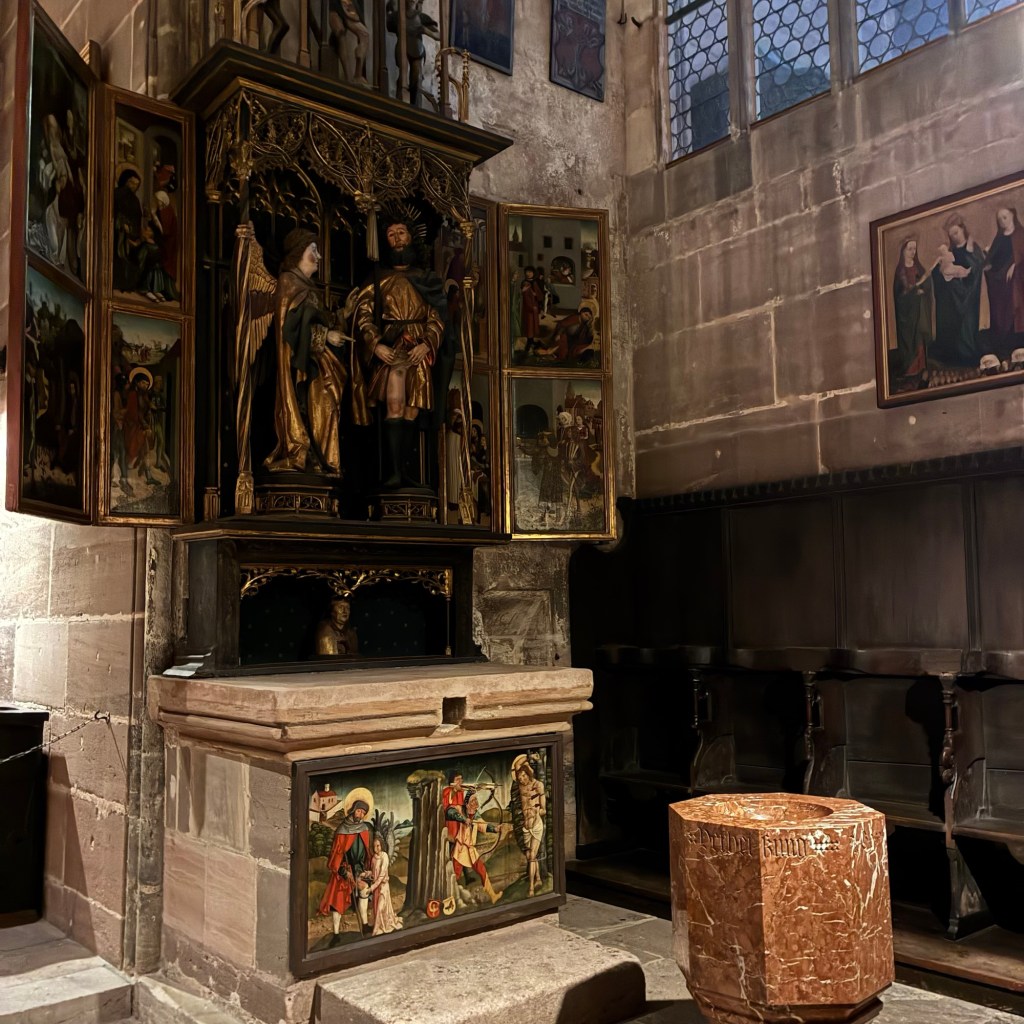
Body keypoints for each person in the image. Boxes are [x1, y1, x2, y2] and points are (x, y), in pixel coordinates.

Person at [352, 218, 446, 489]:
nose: (397, 239)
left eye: (401, 232)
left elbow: (437, 317)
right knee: (394, 403)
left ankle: (404, 470)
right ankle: (394, 471)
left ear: (411, 237)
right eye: (391, 234)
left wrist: (427, 343)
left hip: (418, 347)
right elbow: (363, 316)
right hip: (393, 344)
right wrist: (376, 344)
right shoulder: (378, 279)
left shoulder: (426, 279)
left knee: (412, 409)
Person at [265, 228, 354, 475]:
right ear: (298, 253)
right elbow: (289, 329)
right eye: (313, 250)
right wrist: (325, 336)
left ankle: (323, 461)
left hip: (319, 364)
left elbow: (320, 320)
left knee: (328, 407)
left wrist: (343, 314)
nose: (319, 256)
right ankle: (304, 453)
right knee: (314, 407)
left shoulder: (310, 288)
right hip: (300, 368)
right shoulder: (287, 282)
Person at [931, 213, 986, 367]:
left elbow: (977, 266)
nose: (954, 237)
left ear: (963, 229)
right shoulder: (951, 251)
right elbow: (938, 271)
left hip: (968, 294)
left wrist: (967, 265)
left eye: (956, 232)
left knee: (967, 324)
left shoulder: (973, 248)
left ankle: (967, 354)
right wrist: (939, 272)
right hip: (952, 297)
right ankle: (952, 353)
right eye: (951, 235)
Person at [318, 798, 374, 940]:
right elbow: (335, 855)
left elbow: (367, 851)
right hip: (343, 870)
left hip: (359, 868)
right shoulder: (342, 830)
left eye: (363, 813)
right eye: (359, 811)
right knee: (338, 899)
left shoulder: (364, 829)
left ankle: (365, 925)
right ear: (353, 810)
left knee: (364, 889)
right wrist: (343, 871)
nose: (360, 815)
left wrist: (366, 868)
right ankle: (336, 934)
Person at [445, 792, 505, 904]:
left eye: (476, 800)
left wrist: (495, 829)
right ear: (467, 804)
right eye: (472, 800)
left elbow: (483, 826)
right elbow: (449, 812)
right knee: (456, 875)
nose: (476, 802)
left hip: (470, 850)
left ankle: (492, 896)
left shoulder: (476, 815)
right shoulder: (461, 809)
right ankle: (449, 901)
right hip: (460, 849)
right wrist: (463, 819)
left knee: (482, 871)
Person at [985, 207, 1024, 359]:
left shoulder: (1020, 234)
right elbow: (991, 261)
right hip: (1001, 284)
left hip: (1018, 283)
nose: (1002, 221)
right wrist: (988, 265)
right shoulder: (999, 238)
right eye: (999, 219)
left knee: (1018, 311)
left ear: (1013, 215)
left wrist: (1015, 265)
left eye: (1005, 217)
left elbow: (1021, 254)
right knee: (1002, 314)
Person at [891, 237, 931, 385]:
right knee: (910, 339)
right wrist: (914, 293)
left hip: (918, 310)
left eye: (914, 249)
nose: (913, 252)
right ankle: (910, 368)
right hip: (907, 313)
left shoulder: (918, 267)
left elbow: (926, 285)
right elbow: (900, 295)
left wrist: (923, 289)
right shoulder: (900, 271)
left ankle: (922, 366)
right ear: (903, 251)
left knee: (919, 337)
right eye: (910, 249)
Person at [512, 755, 545, 897]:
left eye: (524, 776)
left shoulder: (538, 785)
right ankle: (538, 879)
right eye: (520, 777)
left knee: (531, 856)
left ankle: (531, 888)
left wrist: (539, 810)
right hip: (526, 827)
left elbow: (543, 808)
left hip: (536, 825)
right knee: (529, 855)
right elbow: (517, 766)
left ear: (529, 774)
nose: (522, 779)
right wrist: (528, 757)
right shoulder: (521, 787)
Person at [113, 169, 144, 293]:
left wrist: (131, 230)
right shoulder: (116, 194)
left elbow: (137, 219)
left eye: (136, 184)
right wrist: (120, 224)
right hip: (115, 233)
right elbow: (112, 212)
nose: (134, 186)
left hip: (129, 236)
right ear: (125, 181)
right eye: (132, 182)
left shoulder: (135, 201)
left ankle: (128, 285)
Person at [367, 836, 402, 935]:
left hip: (383, 887)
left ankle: (378, 929)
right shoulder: (374, 858)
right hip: (376, 888)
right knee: (376, 907)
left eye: (378, 846)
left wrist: (372, 887)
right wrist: (368, 874)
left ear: (381, 845)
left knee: (380, 908)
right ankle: (379, 925)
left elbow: (382, 874)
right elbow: (374, 873)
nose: (376, 848)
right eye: (374, 846)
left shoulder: (384, 856)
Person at [519, 266, 542, 355]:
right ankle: (529, 342)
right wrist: (531, 307)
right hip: (528, 308)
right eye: (527, 272)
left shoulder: (534, 282)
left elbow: (539, 294)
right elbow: (526, 297)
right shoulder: (525, 283)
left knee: (533, 325)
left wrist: (537, 295)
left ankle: (532, 340)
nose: (528, 274)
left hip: (535, 306)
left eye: (530, 272)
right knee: (529, 325)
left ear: (533, 273)